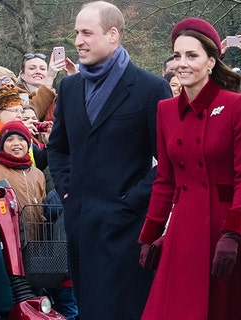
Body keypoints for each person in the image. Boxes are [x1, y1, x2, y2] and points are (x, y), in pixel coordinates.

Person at [137, 17, 241, 320]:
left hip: (225, 229)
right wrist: (150, 234)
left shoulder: (235, 105)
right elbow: (165, 180)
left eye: (192, 55)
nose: (182, 63)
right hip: (183, 230)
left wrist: (232, 234)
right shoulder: (165, 111)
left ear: (212, 61)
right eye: (177, 56)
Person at [46, 1, 172, 319]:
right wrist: (67, 190)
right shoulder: (70, 87)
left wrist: (129, 202)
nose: (78, 41)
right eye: (76, 32)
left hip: (128, 231)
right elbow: (57, 148)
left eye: (87, 32)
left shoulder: (150, 89)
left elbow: (168, 164)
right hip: (81, 227)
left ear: (113, 34)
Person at [0, 121, 46, 241]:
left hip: (36, 244)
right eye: (9, 140)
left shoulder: (38, 174)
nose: (16, 143)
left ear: (28, 144)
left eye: (21, 139)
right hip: (7, 243)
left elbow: (43, 207)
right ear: (2, 145)